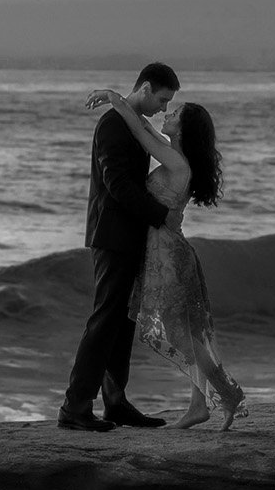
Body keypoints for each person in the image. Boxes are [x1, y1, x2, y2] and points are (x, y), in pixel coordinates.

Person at [83, 86, 246, 430]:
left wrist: (115, 98)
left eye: (175, 114)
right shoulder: (176, 153)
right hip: (166, 252)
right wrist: (125, 104)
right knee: (187, 334)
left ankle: (225, 395)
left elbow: (142, 134)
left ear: (184, 129)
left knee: (182, 335)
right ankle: (199, 405)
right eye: (168, 108)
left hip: (169, 256)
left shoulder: (175, 161)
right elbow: (145, 130)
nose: (167, 114)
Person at [58, 62, 180, 432]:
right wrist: (161, 215)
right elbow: (116, 184)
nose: (163, 108)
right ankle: (75, 407)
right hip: (111, 236)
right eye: (162, 99)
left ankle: (116, 402)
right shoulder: (112, 125)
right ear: (145, 88)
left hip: (130, 235)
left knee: (122, 323)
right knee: (104, 320)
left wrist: (113, 97)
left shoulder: (129, 121)